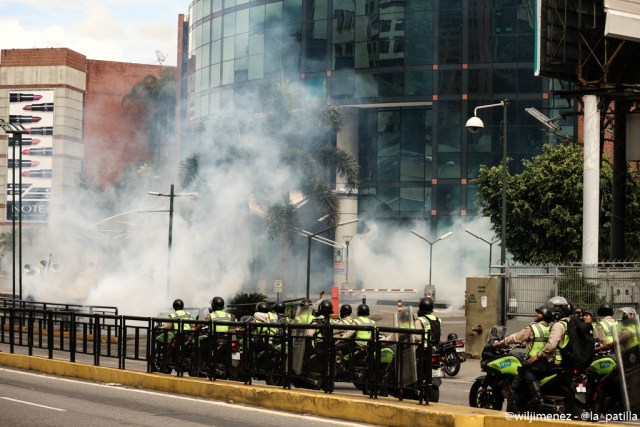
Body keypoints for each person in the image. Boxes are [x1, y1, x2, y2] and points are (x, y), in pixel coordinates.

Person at [493, 306, 553, 404]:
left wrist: (501, 343)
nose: (535, 314)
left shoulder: (533, 328)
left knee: (523, 371)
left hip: (535, 359)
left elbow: (517, 338)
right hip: (547, 359)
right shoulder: (550, 328)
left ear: (545, 316)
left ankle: (535, 397)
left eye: (539, 313)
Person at [525, 296, 574, 406]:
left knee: (526, 368)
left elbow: (551, 345)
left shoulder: (559, 325)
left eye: (555, 309)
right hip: (571, 361)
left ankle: (537, 397)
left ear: (560, 312)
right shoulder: (574, 324)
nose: (553, 312)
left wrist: (538, 355)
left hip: (556, 362)